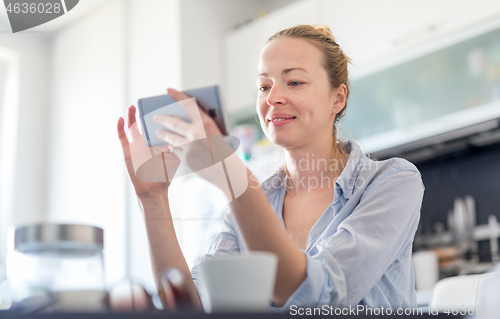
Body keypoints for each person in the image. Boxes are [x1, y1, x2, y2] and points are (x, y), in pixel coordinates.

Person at [117, 24, 425, 311]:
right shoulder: (255, 203)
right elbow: (191, 306)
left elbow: (318, 298)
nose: (273, 98)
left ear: (337, 98)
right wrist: (152, 198)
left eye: (294, 82)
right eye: (264, 87)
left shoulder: (392, 182)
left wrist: (231, 175)